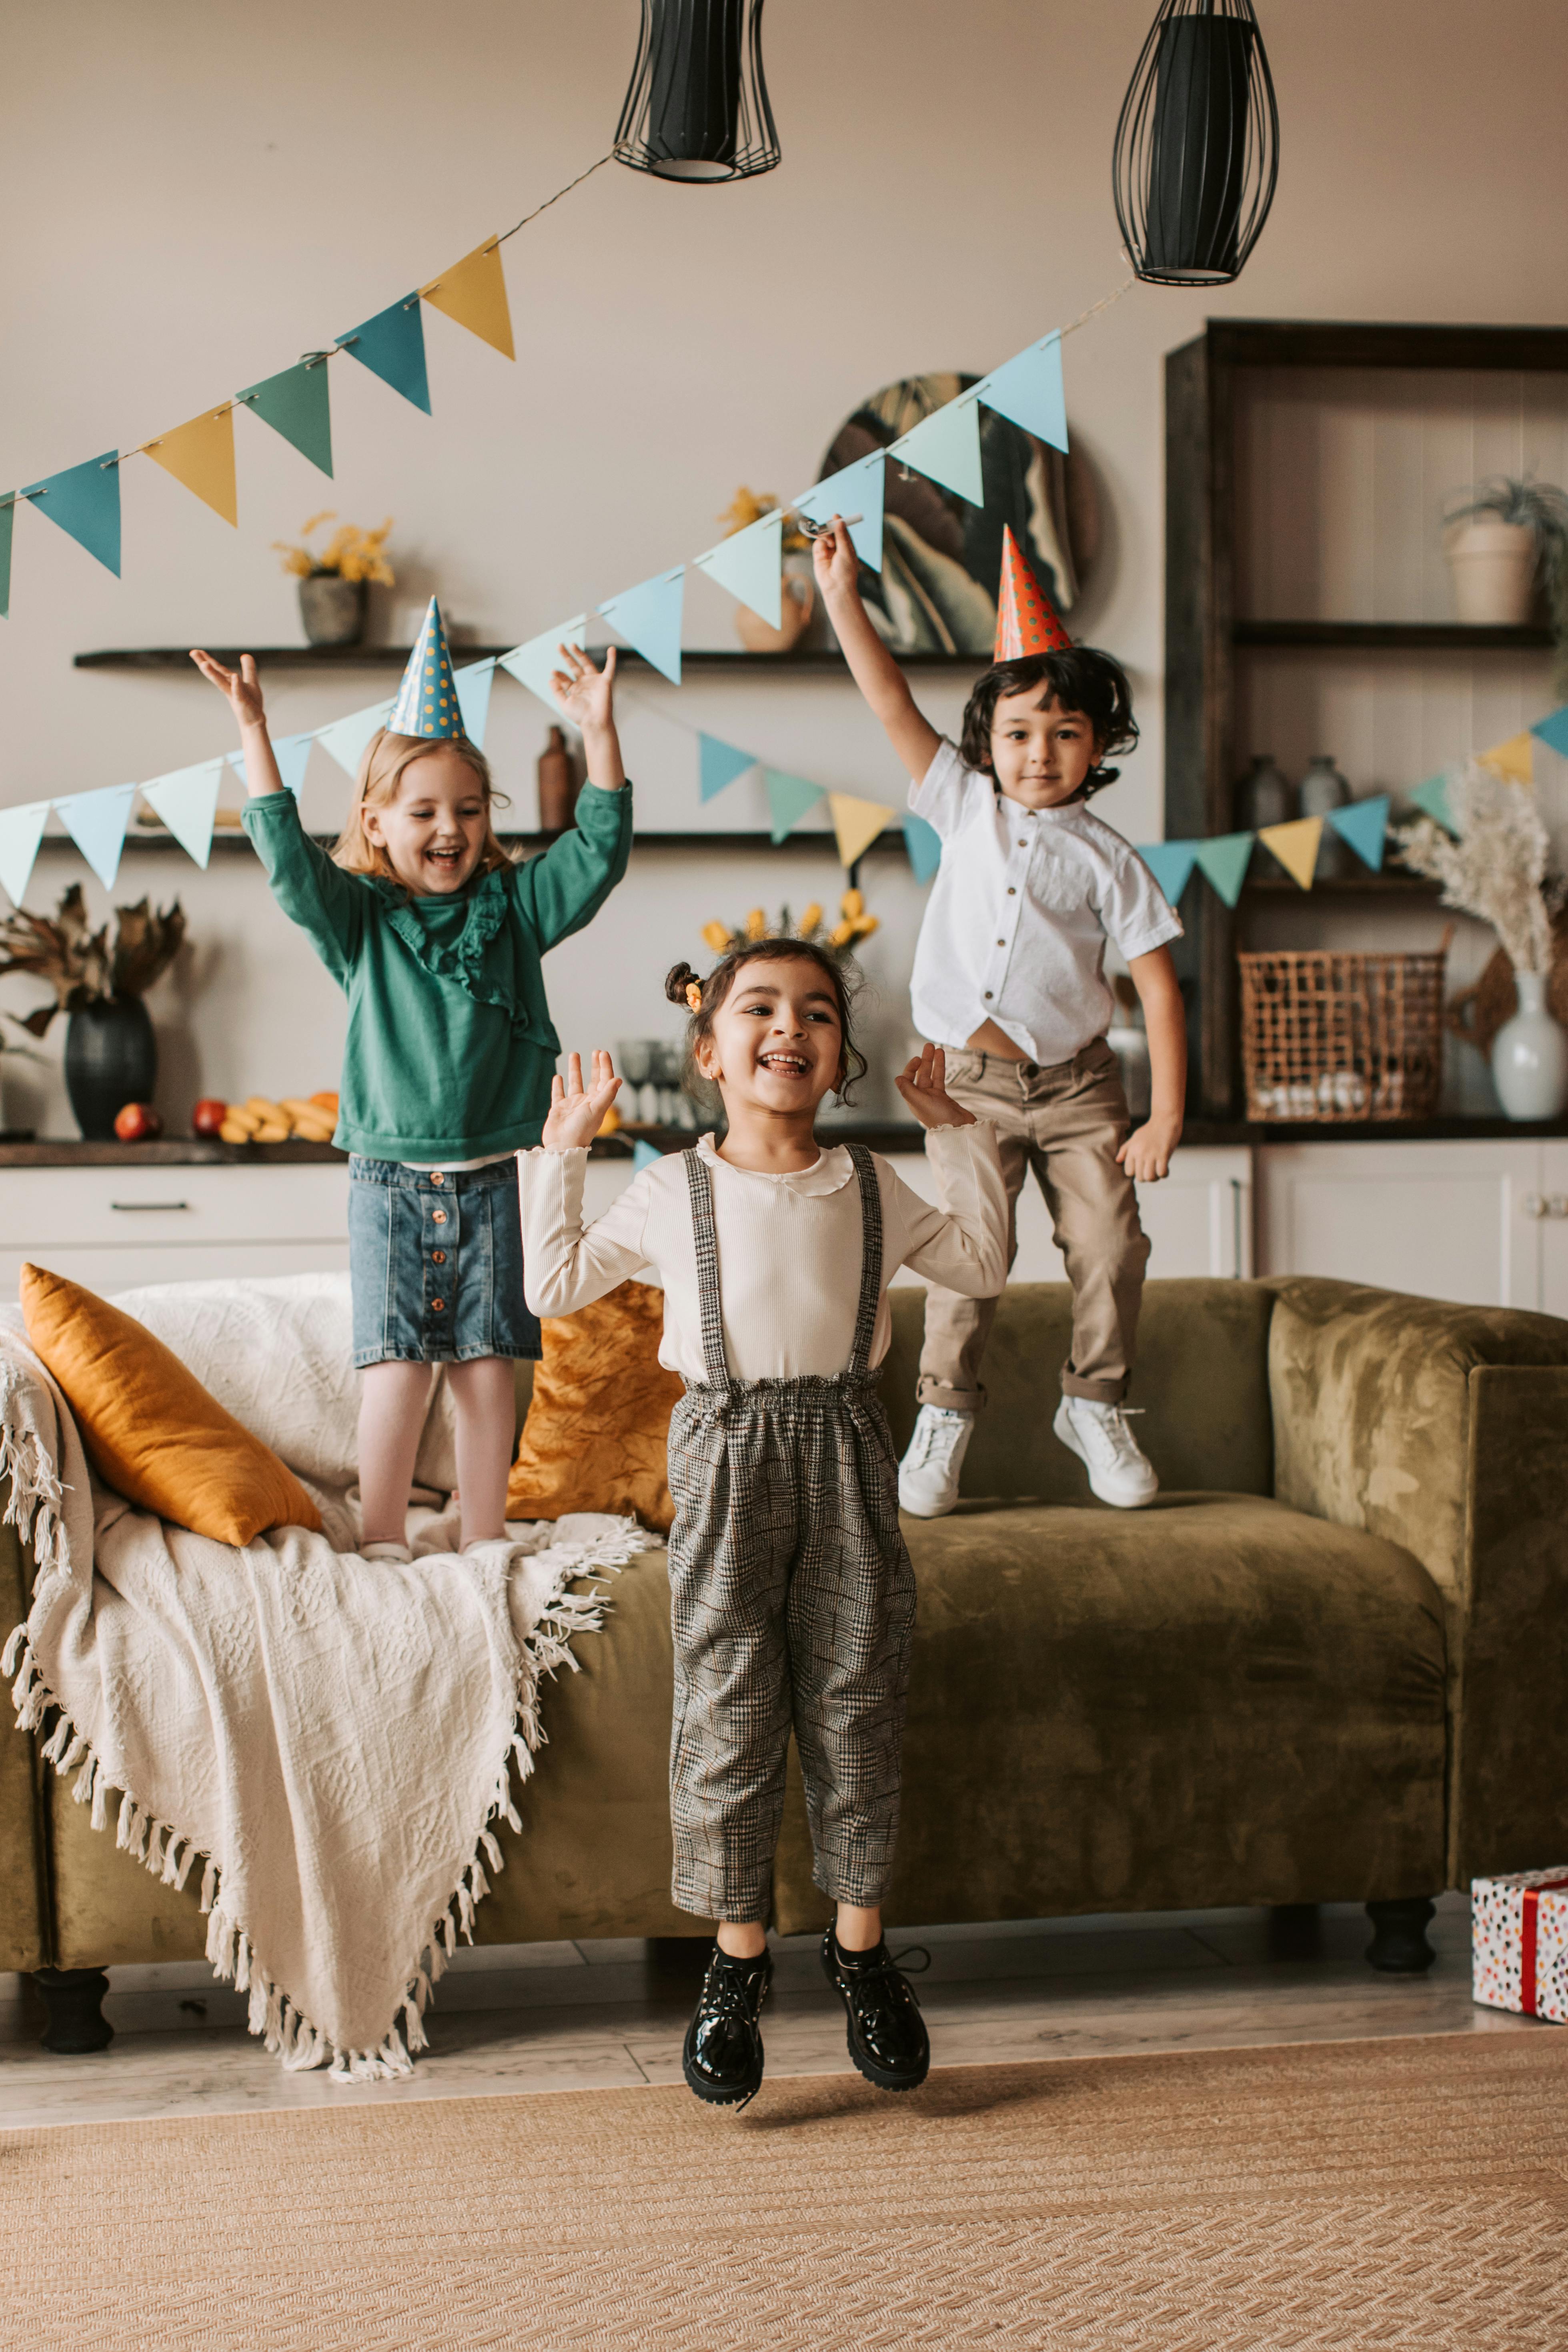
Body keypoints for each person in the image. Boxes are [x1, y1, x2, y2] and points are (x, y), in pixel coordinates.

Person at [519, 941, 1008, 2107]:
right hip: (725, 1445)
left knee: (856, 1689)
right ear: (710, 1050)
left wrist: (952, 1129)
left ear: (841, 1060)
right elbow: (551, 1284)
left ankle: (860, 1948)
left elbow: (984, 1259)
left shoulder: (871, 1183)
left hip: (845, 1439)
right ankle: (736, 1963)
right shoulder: (671, 1187)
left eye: (818, 1012)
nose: (790, 1026)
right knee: (730, 1700)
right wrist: (566, 1149)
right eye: (761, 1007)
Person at [191, 607, 631, 1564]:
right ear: (375, 823)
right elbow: (287, 864)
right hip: (389, 1183)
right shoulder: (359, 921)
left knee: (488, 1369)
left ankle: (484, 1531)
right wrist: (255, 731)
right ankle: (383, 1533)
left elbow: (597, 855)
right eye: (423, 810)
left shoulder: (518, 907)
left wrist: (599, 732)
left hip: (501, 1180)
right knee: (395, 1369)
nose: (449, 828)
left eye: (468, 810)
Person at [813, 517, 1186, 1517]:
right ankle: (943, 1415)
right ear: (986, 741)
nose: (1039, 752)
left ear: (1098, 743)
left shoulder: (1110, 858)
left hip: (1080, 1088)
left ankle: (1095, 1402)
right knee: (972, 1253)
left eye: (1065, 732)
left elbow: (1158, 985)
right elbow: (889, 699)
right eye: (1018, 732)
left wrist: (1163, 1115)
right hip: (965, 1086)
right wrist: (843, 596)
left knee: (1111, 1246)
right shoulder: (961, 803)